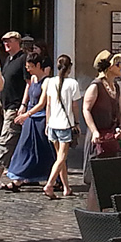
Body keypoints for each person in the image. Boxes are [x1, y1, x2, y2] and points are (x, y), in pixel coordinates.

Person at [4, 52, 55, 189]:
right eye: (27, 66)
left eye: (31, 66)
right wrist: (23, 105)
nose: (28, 69)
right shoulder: (33, 78)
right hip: (30, 118)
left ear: (38, 65)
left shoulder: (47, 81)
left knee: (44, 151)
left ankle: (53, 177)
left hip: (40, 119)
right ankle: (18, 177)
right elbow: (28, 92)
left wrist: (27, 114)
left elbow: (42, 103)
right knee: (24, 147)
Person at [0, 32, 28, 188]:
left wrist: (23, 105)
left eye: (8, 41)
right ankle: (20, 174)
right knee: (15, 142)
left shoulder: (23, 59)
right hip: (4, 105)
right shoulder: (8, 60)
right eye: (3, 41)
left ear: (17, 41)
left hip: (15, 106)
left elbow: (29, 83)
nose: (5, 44)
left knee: (6, 140)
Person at [39, 53, 81, 200]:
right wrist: (76, 122)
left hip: (53, 124)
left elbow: (48, 104)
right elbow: (75, 106)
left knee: (59, 158)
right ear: (69, 68)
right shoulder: (73, 84)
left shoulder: (50, 82)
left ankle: (66, 187)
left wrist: (47, 122)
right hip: (65, 125)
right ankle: (50, 184)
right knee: (62, 157)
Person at [83, 50, 121, 170]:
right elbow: (86, 109)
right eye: (117, 64)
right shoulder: (96, 86)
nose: (120, 66)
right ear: (110, 67)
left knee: (112, 171)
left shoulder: (116, 86)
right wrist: (94, 131)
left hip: (112, 136)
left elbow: (120, 109)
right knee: (98, 172)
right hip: (98, 137)